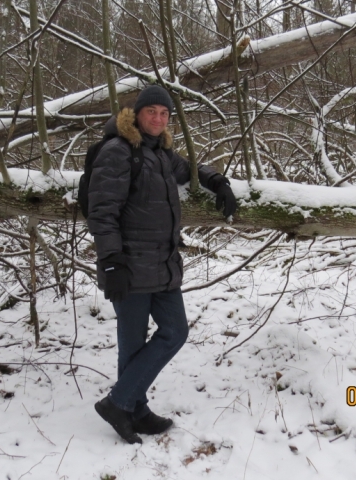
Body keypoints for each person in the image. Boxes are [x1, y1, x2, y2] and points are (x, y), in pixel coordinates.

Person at [87, 85, 237, 444]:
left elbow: (192, 170)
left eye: (164, 113)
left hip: (163, 263)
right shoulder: (119, 151)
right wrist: (110, 262)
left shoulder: (161, 153)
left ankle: (122, 403)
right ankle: (131, 409)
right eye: (151, 111)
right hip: (128, 265)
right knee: (133, 343)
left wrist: (220, 182)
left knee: (175, 331)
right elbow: (102, 211)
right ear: (136, 114)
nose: (158, 118)